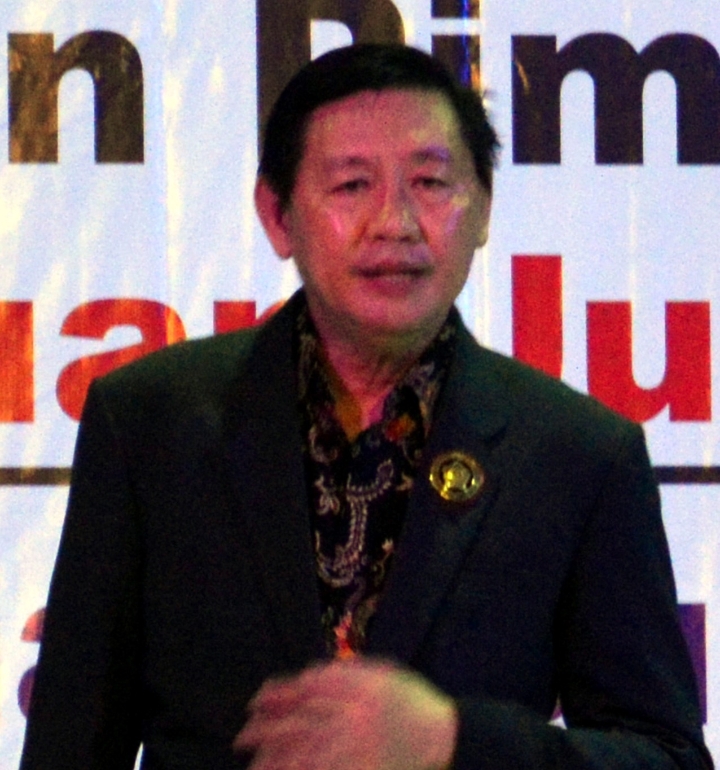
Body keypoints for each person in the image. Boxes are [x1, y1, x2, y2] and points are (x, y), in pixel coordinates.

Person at [20, 43, 713, 770]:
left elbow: (667, 758)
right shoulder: (152, 422)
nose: (396, 222)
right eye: (352, 185)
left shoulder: (578, 454)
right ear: (277, 215)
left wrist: (454, 741)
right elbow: (70, 745)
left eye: (431, 182)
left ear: (483, 208)